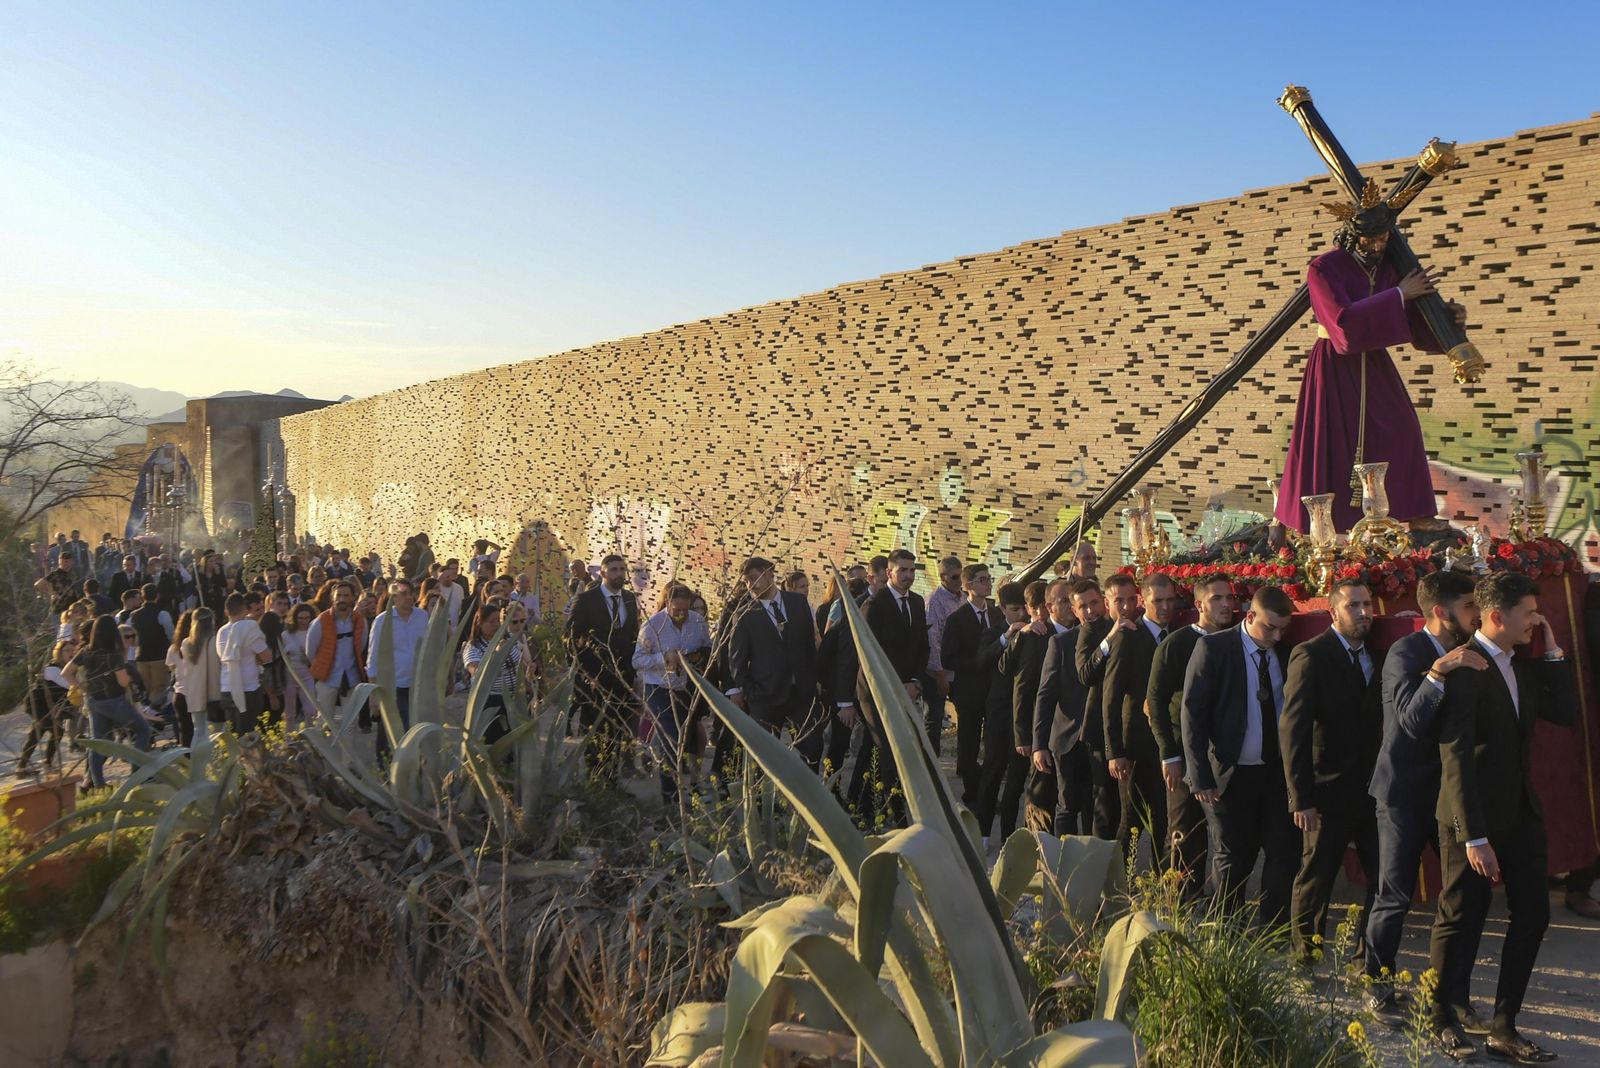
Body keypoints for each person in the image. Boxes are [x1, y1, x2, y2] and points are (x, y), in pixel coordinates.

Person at [1430, 572, 1576, 1064]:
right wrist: (1474, 837)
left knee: (1533, 915)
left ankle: (1503, 1027)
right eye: (1529, 613)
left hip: (1521, 814)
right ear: (1497, 616)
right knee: (1460, 918)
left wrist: (1552, 653)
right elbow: (1455, 757)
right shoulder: (1465, 668)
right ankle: (1440, 1018)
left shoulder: (1523, 667)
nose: (1537, 620)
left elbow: (1566, 712)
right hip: (1471, 820)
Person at [1274, 194, 1468, 535]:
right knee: (1330, 441)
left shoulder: (1390, 267)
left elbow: (1415, 324)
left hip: (1375, 363)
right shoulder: (1324, 268)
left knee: (1404, 429)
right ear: (1353, 234)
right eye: (1370, 239)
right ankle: (1315, 522)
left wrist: (1450, 320)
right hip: (1333, 365)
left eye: (1383, 238)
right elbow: (1342, 326)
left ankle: (1416, 512)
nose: (1377, 246)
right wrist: (1398, 295)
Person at [1364, 570, 1482, 1027]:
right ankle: (1378, 986)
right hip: (1403, 793)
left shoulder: (1473, 650)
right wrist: (1438, 673)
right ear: (1440, 611)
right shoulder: (1406, 652)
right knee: (1394, 895)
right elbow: (1411, 723)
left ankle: (1452, 995)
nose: (1476, 614)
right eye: (1468, 606)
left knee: (1462, 896)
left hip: (1449, 796)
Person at [1280, 578, 1385, 967]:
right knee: (1317, 877)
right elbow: (1293, 730)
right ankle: (1305, 956)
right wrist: (1301, 798)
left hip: (1372, 791)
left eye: (1367, 604)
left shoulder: (1378, 654)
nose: (1364, 613)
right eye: (1354, 606)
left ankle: (1366, 960)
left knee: (1383, 876)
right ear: (1333, 612)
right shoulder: (1311, 655)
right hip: (1326, 791)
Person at [1183, 586, 1296, 930]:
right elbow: (1193, 715)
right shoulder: (1215, 648)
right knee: (1233, 854)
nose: (1276, 637)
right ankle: (1224, 929)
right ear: (1250, 616)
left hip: (1275, 774)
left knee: (1282, 851)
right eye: (1270, 628)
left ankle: (1273, 930)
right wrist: (1200, 776)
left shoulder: (1286, 653)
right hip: (1229, 774)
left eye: (1283, 629)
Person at [1147, 574, 1235, 897]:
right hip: (1183, 753)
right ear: (1199, 604)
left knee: (1220, 833)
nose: (1226, 604)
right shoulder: (1177, 644)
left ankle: (1204, 898)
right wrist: (1168, 754)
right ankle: (1176, 902)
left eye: (1229, 597)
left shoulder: (1236, 640)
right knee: (1184, 829)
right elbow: (1155, 701)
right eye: (1217, 598)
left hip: (1222, 753)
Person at [836, 549, 928, 827]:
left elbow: (921, 647)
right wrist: (845, 700)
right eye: (903, 570)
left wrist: (915, 681)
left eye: (911, 570)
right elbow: (864, 654)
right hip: (876, 692)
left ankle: (859, 805)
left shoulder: (916, 602)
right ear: (889, 572)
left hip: (906, 690)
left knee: (873, 751)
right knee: (888, 750)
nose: (908, 576)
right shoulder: (874, 605)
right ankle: (897, 818)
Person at [1104, 572, 1179, 867]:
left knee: (1164, 819)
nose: (1165, 607)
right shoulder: (1128, 637)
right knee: (1131, 820)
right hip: (1134, 745)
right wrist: (1115, 752)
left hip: (1165, 745)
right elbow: (1111, 699)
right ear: (1143, 601)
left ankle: (1162, 882)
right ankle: (1118, 883)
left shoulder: (1176, 636)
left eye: (1170, 600)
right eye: (1157, 601)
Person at [724, 558, 823, 768]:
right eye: (746, 581)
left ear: (769, 573)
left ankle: (804, 788)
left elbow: (808, 645)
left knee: (812, 748)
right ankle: (766, 791)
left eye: (753, 578)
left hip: (802, 694)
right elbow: (736, 660)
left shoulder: (798, 603)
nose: (750, 585)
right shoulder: (745, 615)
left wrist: (812, 680)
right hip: (765, 697)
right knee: (765, 758)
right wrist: (751, 692)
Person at [564, 554, 640, 785]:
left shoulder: (629, 599)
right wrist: (584, 674)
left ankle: (612, 782)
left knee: (618, 729)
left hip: (623, 678)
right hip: (594, 677)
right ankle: (595, 782)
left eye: (622, 569)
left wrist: (634, 671)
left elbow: (633, 635)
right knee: (596, 730)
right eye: (614, 569)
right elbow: (570, 638)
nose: (619, 574)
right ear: (604, 573)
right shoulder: (587, 599)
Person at [634, 584, 711, 801]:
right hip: (659, 687)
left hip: (687, 687)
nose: (681, 615)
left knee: (687, 738)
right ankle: (671, 794)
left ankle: (690, 784)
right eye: (677, 610)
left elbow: (708, 649)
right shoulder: (652, 626)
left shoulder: (697, 622)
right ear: (667, 603)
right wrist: (664, 658)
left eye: (685, 610)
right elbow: (637, 660)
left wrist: (695, 658)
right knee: (670, 738)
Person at [1034, 578, 1098, 835]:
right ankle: (1063, 856)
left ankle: (1091, 856)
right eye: (1083, 606)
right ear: (1075, 609)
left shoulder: (1111, 637)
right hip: (1066, 738)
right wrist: (1039, 744)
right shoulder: (1060, 643)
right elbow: (1045, 695)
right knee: (1067, 804)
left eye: (1094, 604)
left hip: (1098, 739)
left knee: (1096, 805)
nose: (1090, 611)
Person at [62, 615, 153, 788]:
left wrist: (82, 687)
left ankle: (98, 783)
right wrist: (129, 676)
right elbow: (123, 682)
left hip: (93, 700)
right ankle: (137, 774)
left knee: (98, 743)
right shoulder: (113, 654)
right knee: (143, 730)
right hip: (114, 700)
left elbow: (66, 672)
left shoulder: (86, 651)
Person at [973, 579, 1032, 840]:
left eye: (1024, 608)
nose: (1021, 614)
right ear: (1003, 608)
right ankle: (983, 832)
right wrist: (1007, 637)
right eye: (1015, 609)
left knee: (1016, 780)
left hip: (1022, 715)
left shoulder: (1033, 631)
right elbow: (982, 661)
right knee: (992, 773)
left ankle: (1008, 836)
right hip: (998, 713)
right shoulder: (993, 633)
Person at [1077, 574, 1133, 840]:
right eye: (1119, 601)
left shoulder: (1138, 626)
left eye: (1131, 600)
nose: (1126, 607)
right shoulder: (1093, 630)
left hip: (1128, 730)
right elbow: (1086, 674)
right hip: (1100, 732)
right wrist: (1110, 638)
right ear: (1109, 601)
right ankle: (1098, 860)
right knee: (1104, 805)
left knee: (1125, 807)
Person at [941, 563, 1001, 806]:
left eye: (989, 579)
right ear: (968, 586)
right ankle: (972, 793)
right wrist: (975, 663)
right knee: (969, 746)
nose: (988, 583)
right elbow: (948, 658)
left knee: (994, 746)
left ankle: (987, 794)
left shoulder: (996, 614)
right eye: (982, 580)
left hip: (994, 690)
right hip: (968, 692)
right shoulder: (957, 619)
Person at [367, 578, 431, 757]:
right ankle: (384, 765)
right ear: (393, 597)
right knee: (389, 728)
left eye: (411, 593)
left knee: (413, 726)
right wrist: (373, 692)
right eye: (403, 594)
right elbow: (373, 657)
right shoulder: (382, 621)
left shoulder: (422, 617)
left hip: (416, 683)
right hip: (392, 684)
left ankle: (412, 763)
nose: (409, 597)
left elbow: (429, 647)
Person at [462, 599, 524, 747]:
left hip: (514, 699)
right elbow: (477, 673)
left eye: (498, 620)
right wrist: (496, 655)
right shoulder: (473, 647)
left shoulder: (508, 639)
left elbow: (520, 661)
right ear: (480, 623)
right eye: (492, 621)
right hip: (490, 702)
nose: (497, 624)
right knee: (493, 743)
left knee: (514, 744)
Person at [307, 580, 368, 725]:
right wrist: (322, 667)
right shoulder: (321, 621)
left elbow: (361, 646)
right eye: (338, 595)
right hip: (327, 679)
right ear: (333, 598)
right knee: (323, 722)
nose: (342, 599)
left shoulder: (360, 621)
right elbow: (310, 651)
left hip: (352, 678)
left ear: (353, 597)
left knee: (351, 722)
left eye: (346, 596)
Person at [924, 555, 966, 759]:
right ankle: (931, 763)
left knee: (965, 714)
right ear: (943, 577)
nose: (959, 581)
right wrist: (940, 674)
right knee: (934, 717)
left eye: (961, 576)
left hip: (958, 668)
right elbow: (932, 640)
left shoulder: (963, 598)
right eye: (954, 577)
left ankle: (964, 761)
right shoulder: (935, 602)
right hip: (938, 671)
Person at [216, 593, 272, 736]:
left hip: (227, 686)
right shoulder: (249, 627)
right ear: (245, 610)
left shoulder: (221, 631)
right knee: (247, 735)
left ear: (227, 611)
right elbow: (266, 657)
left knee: (233, 733)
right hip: (248, 687)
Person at [18, 639, 76, 776]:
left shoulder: (67, 668)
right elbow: (68, 685)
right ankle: (47, 763)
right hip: (37, 705)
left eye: (73, 650)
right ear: (59, 653)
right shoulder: (52, 668)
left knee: (36, 734)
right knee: (57, 731)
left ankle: (21, 767)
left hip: (49, 707)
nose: (71, 653)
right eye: (67, 650)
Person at [128, 582, 175, 708]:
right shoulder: (162, 614)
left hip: (141, 656)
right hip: (159, 656)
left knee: (146, 688)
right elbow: (171, 634)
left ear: (142, 596)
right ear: (157, 595)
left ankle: (146, 711)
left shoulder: (133, 615)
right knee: (158, 688)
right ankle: (152, 712)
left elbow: (132, 635)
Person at [280, 604, 317, 730]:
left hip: (307, 675)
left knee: (311, 710)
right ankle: (288, 738)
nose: (304, 621)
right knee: (289, 713)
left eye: (307, 618)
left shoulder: (313, 633)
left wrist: (308, 658)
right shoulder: (286, 635)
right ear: (295, 618)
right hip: (290, 677)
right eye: (300, 618)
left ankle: (309, 736)